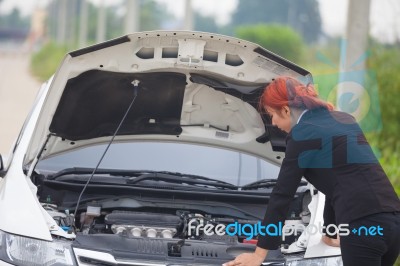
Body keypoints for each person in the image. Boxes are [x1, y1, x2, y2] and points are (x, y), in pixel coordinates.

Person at [223, 76, 400, 266]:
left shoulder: (301, 134)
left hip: (362, 227)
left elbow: (282, 195)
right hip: (393, 221)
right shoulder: (344, 119)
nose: (272, 123)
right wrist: (329, 234)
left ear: (285, 109)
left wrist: (259, 254)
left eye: (271, 114)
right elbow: (339, 181)